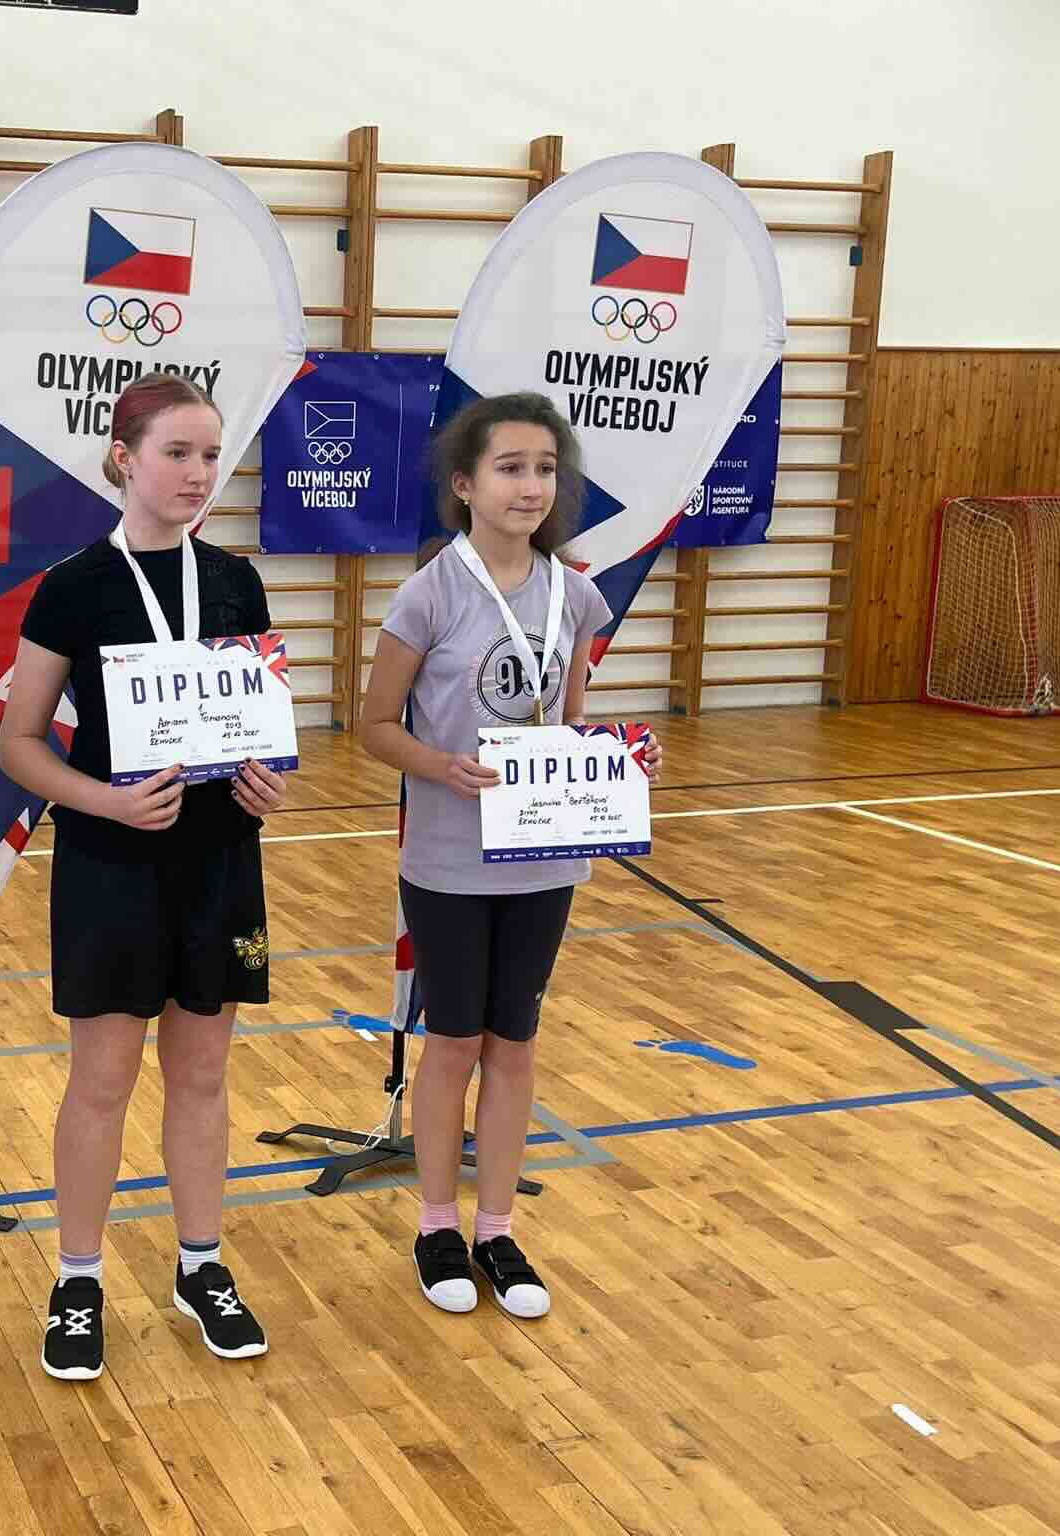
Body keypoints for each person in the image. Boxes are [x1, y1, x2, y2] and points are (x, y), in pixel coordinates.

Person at [0, 372, 288, 1381]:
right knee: (102, 1082)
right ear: (124, 457)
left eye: (211, 455)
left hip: (219, 862)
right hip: (111, 865)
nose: (199, 473)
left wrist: (264, 782)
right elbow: (19, 746)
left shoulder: (236, 580)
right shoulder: (73, 585)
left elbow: (255, 730)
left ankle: (200, 1265)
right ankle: (77, 1279)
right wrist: (106, 800)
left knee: (202, 1075)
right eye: (177, 452)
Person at [358, 391, 662, 1320]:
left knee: (515, 1043)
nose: (531, 486)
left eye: (545, 469)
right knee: (454, 1041)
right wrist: (439, 766)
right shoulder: (429, 592)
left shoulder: (575, 593)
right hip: (450, 860)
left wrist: (617, 760)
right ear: (465, 484)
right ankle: (437, 1225)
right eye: (510, 468)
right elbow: (374, 725)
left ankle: (497, 1229)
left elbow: (564, 722)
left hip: (543, 860)